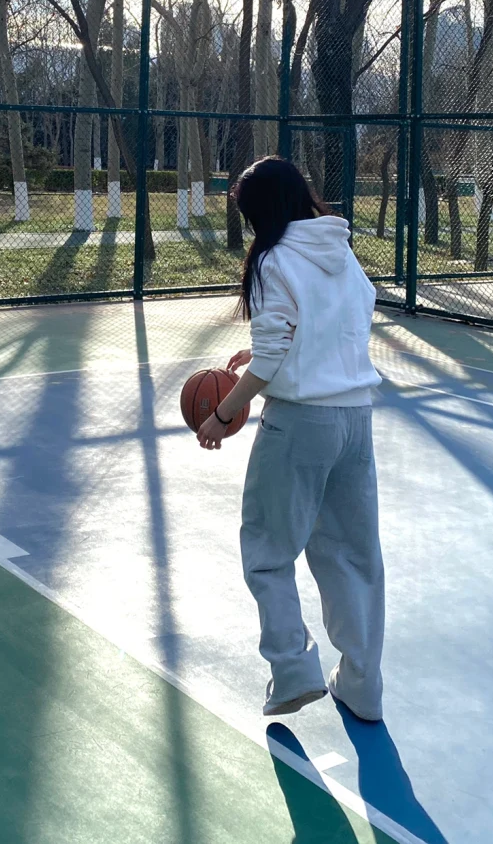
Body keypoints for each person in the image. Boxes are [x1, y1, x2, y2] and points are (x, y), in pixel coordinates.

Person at [198, 156, 384, 721]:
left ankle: (293, 670)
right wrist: (260, 356)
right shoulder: (341, 250)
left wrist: (223, 414)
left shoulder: (274, 259)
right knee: (353, 558)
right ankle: (363, 686)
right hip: (356, 418)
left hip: (300, 425)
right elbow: (342, 323)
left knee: (267, 553)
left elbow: (281, 353)